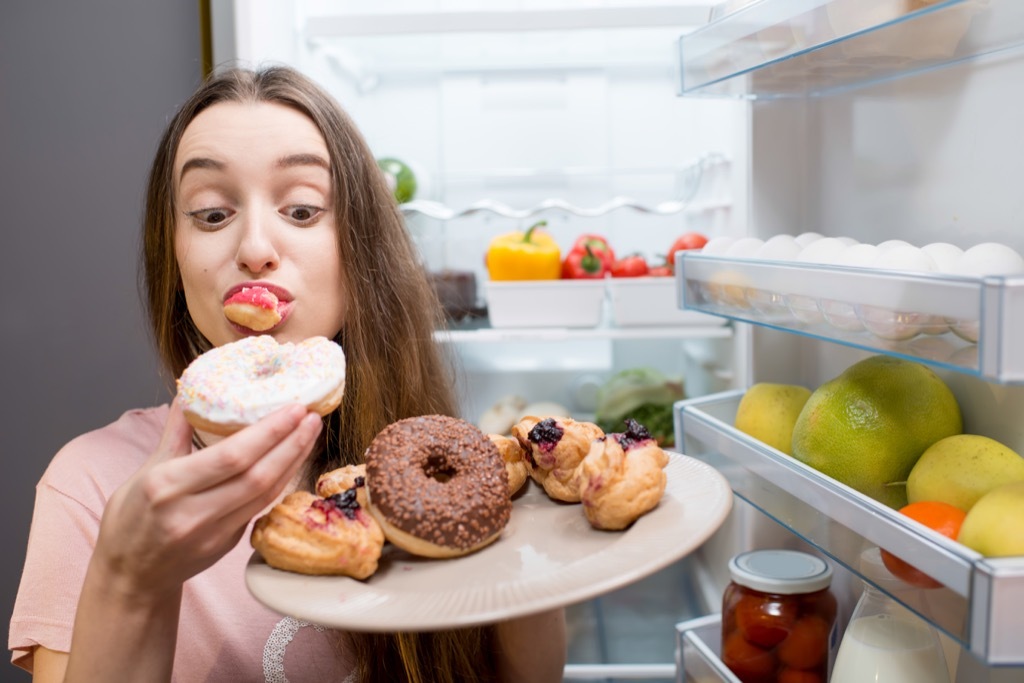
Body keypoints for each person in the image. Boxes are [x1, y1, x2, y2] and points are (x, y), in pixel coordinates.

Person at [9, 65, 567, 683]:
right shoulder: (92, 488)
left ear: (361, 251)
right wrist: (130, 576)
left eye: (301, 209)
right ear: (172, 254)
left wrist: (530, 544)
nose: (254, 245)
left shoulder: (435, 472)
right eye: (211, 213)